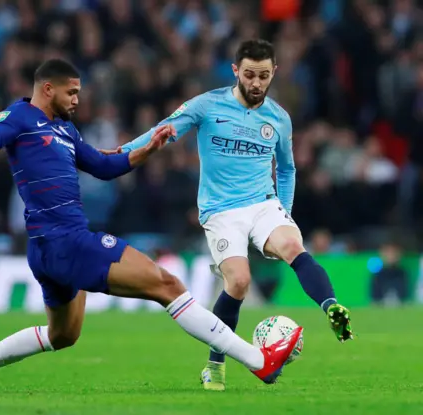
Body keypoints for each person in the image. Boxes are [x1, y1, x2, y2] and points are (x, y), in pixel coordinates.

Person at [0, 58, 302, 393]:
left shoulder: (65, 129)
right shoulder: (19, 117)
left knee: (62, 335)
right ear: (48, 89)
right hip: (67, 241)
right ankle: (260, 361)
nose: (78, 99)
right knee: (167, 284)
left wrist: (150, 148)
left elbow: (105, 166)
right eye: (72, 92)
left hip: (48, 249)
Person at [113, 40, 353, 392]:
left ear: (275, 74)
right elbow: (162, 130)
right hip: (221, 211)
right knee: (238, 282)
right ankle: (215, 365)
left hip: (263, 203)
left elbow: (287, 170)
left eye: (264, 76)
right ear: (236, 71)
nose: (257, 83)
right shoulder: (207, 106)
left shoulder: (278, 118)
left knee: (291, 244)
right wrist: (119, 155)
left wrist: (283, 211)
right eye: (251, 74)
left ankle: (331, 306)